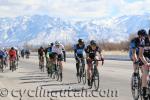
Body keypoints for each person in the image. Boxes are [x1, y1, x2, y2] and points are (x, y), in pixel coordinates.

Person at [139, 29, 150, 100]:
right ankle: (144, 90)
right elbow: (140, 55)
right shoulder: (144, 41)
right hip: (143, 57)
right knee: (145, 71)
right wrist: (146, 63)